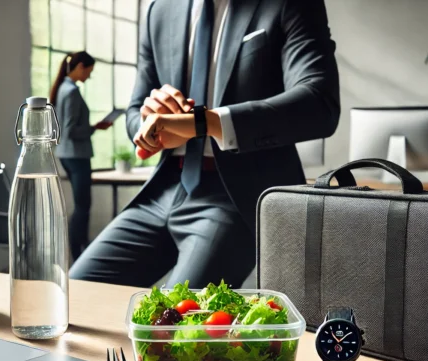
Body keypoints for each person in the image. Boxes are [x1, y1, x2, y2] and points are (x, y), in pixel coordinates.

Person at [70, 0, 340, 288]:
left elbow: (319, 103)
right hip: (164, 189)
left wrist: (204, 122)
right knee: (73, 296)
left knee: (177, 322)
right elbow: (135, 112)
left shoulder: (288, 4)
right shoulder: (159, 10)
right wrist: (150, 123)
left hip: (236, 195)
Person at [50, 51, 112, 262]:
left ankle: (79, 250)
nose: (88, 76)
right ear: (80, 67)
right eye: (89, 71)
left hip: (66, 154)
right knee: (83, 205)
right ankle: (79, 252)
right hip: (76, 155)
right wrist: (94, 128)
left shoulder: (62, 89)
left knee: (81, 204)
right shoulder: (72, 92)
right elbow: (70, 131)